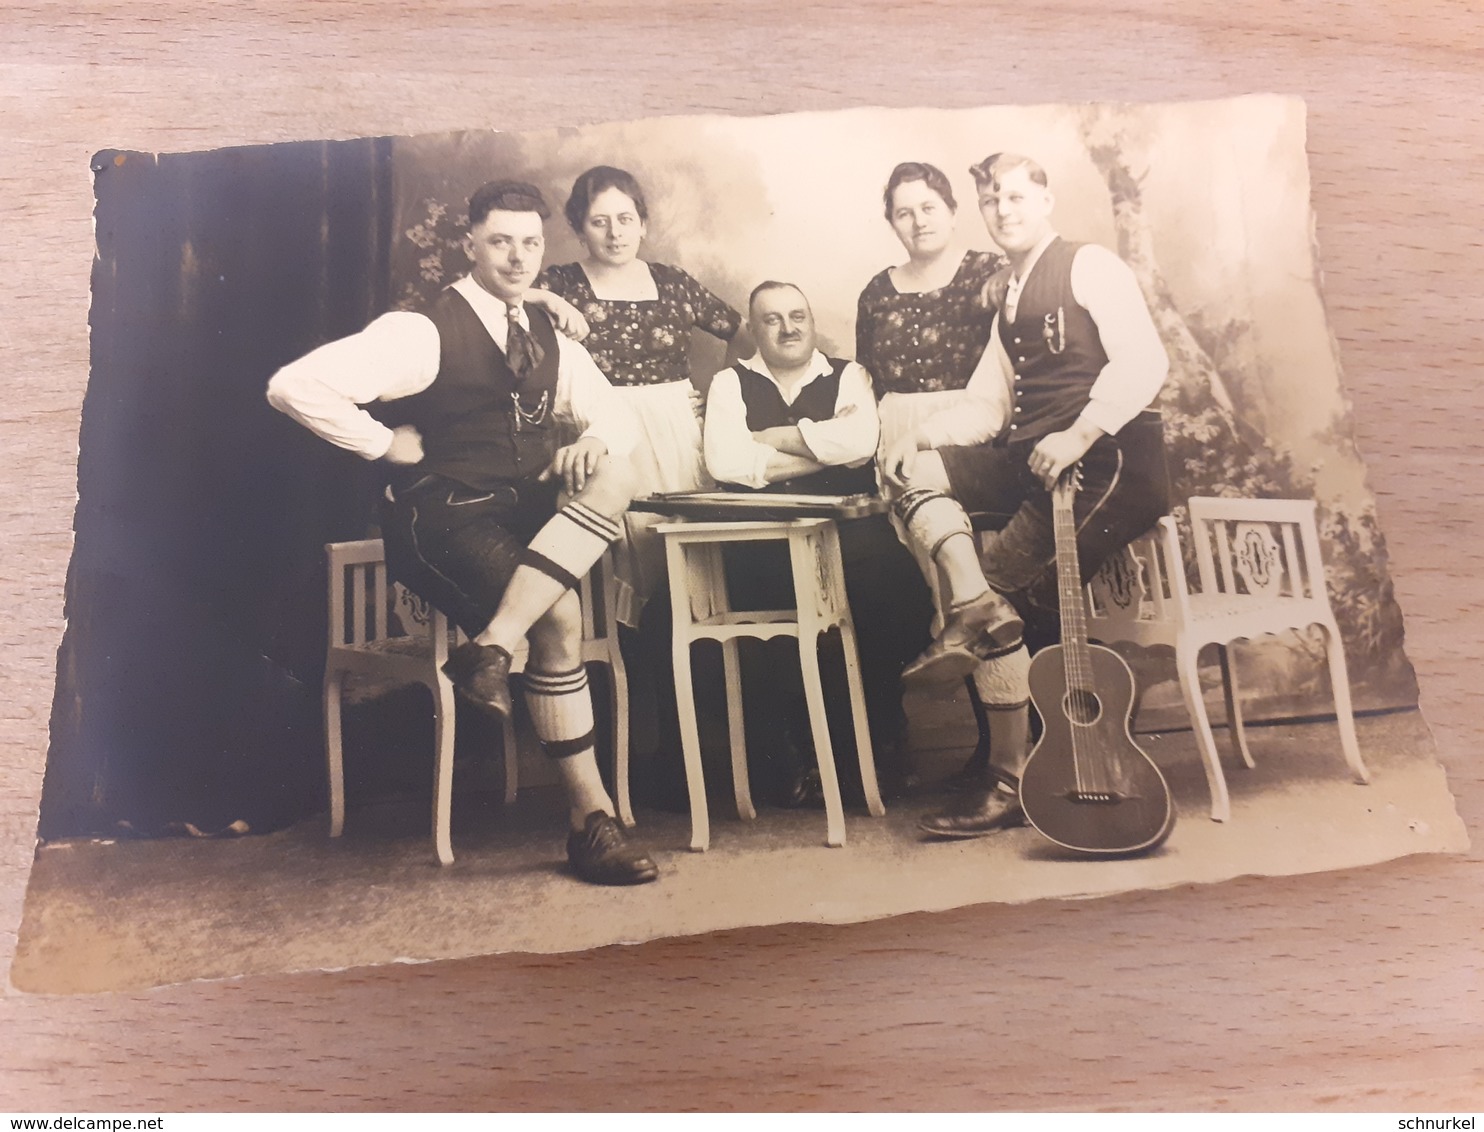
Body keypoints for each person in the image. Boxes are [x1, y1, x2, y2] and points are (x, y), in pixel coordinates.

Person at [267, 179, 659, 886]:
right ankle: (592, 822)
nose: (517, 258)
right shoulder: (422, 331)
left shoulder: (548, 330)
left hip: (518, 508)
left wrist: (593, 440)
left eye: (531, 243)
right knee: (560, 614)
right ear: (470, 242)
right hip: (440, 515)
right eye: (501, 241)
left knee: (619, 472)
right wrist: (384, 444)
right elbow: (293, 385)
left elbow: (618, 416)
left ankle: (490, 648)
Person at [882, 153, 1171, 838]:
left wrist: (1078, 434)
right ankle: (975, 603)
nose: (1003, 210)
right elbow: (987, 408)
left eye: (1015, 196)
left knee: (1003, 614)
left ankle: (1009, 778)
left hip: (1109, 462)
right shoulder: (1008, 297)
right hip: (1040, 463)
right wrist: (918, 438)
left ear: (1044, 198)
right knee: (915, 476)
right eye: (991, 201)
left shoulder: (1088, 264)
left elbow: (1146, 362)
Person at [704, 280, 933, 802]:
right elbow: (725, 462)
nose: (788, 329)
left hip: (849, 527)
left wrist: (770, 442)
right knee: (761, 623)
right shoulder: (729, 383)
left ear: (810, 321)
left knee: (891, 592)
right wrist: (821, 448)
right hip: (763, 536)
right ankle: (796, 753)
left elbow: (861, 444)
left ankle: (878, 740)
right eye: (772, 319)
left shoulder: (848, 375)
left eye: (797, 316)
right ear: (755, 329)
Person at [855, 161, 1010, 788]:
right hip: (896, 437)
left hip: (971, 432)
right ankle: (895, 745)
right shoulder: (877, 290)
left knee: (974, 571)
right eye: (903, 212)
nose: (917, 221)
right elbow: (868, 382)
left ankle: (996, 742)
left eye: (928, 208)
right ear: (890, 220)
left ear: (951, 210)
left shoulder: (989, 276)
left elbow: (1000, 383)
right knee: (902, 582)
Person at [536, 165, 745, 625]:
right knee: (614, 563)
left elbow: (742, 335)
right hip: (600, 434)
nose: (614, 234)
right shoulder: (561, 284)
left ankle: (692, 679)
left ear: (643, 223)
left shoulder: (673, 283)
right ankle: (628, 680)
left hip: (675, 431)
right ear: (578, 228)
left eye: (625, 219)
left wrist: (719, 396)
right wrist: (548, 301)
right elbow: (500, 303)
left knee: (688, 565)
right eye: (599, 221)